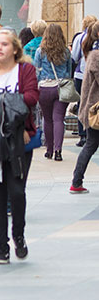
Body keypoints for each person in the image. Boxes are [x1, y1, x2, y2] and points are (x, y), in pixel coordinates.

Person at [0, 29, 39, 263]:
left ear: (15, 48)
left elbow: (31, 97)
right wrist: (0, 103)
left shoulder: (26, 70)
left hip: (20, 138)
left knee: (17, 191)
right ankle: (1, 247)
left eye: (4, 44)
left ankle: (19, 236)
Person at [34, 24, 73, 163]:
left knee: (48, 119)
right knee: (58, 118)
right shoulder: (66, 52)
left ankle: (49, 149)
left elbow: (36, 71)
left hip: (44, 88)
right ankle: (58, 150)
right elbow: (69, 72)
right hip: (61, 87)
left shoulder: (40, 51)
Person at [72, 23, 99, 192]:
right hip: (94, 109)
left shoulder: (93, 53)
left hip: (92, 108)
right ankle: (76, 182)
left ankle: (76, 181)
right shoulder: (96, 55)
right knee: (90, 144)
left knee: (90, 144)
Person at [72, 16, 97, 148]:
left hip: (81, 75)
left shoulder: (80, 38)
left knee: (82, 103)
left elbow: (74, 56)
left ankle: (83, 134)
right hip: (94, 76)